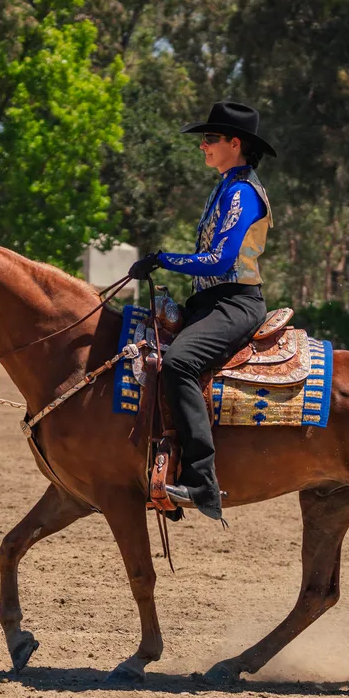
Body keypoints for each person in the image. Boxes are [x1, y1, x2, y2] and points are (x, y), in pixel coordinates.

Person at [128, 101, 277, 521]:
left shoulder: (243, 193)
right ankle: (165, 469)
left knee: (179, 363)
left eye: (210, 138)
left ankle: (201, 481)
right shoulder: (227, 186)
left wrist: (163, 259)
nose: (203, 146)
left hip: (236, 303)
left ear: (236, 143)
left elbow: (220, 261)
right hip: (211, 302)